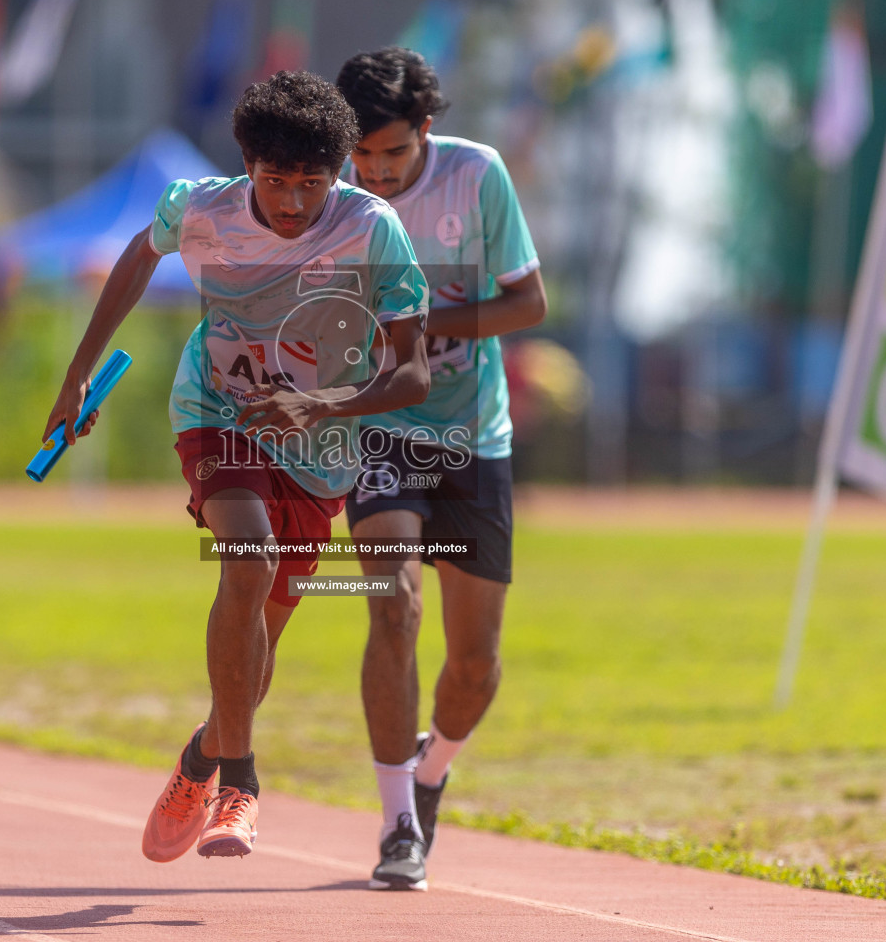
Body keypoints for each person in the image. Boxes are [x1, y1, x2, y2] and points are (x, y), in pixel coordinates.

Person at [42, 71, 430, 861]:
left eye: (311, 185)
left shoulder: (372, 229)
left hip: (320, 450)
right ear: (247, 166)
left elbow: (413, 374)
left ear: (340, 174)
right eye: (276, 181)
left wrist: (318, 406)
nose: (291, 203)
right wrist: (78, 371)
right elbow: (136, 257)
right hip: (218, 411)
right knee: (244, 561)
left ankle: (201, 756)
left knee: (255, 657)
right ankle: (242, 783)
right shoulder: (198, 206)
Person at [335, 47, 546, 890]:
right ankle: (396, 827)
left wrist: (424, 322)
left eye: (393, 153)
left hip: (472, 437)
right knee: (393, 606)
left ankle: (430, 774)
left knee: (474, 667)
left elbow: (530, 302)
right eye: (363, 156)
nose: (378, 174)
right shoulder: (333, 197)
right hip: (381, 430)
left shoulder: (477, 176)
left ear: (426, 130)